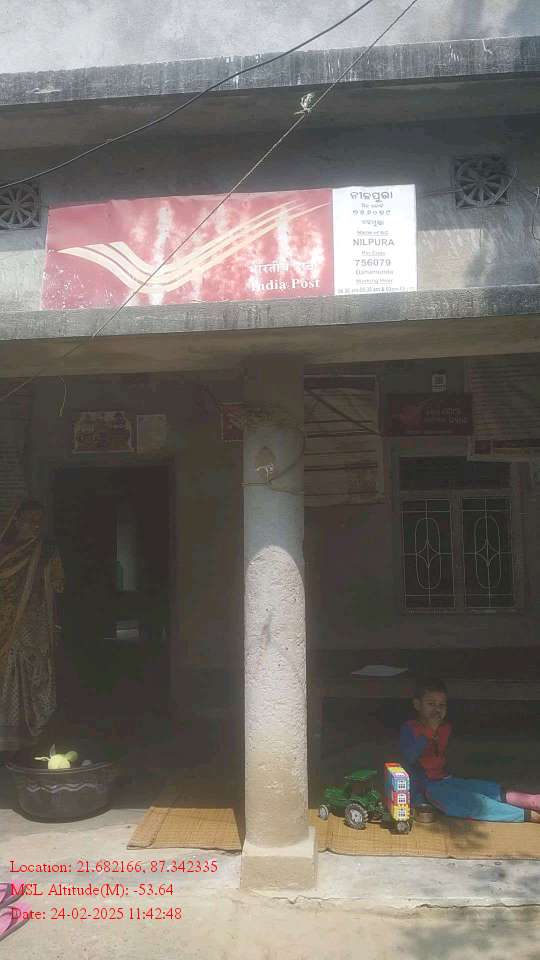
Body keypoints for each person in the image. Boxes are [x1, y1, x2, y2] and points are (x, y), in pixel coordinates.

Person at [400, 677, 540, 823]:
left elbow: (447, 758)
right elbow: (409, 757)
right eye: (431, 704)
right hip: (425, 788)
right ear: (417, 705)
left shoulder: (445, 728)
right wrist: (429, 731)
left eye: (442, 705)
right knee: (471, 802)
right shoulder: (410, 728)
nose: (437, 709)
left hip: (445, 780)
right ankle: (527, 815)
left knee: (483, 788)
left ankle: (532, 801)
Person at [0, 499, 64, 758]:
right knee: (9, 673)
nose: (36, 526)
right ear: (16, 521)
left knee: (37, 671)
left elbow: (57, 586)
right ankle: (7, 742)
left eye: (39, 521)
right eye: (30, 520)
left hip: (36, 623)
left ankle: (36, 738)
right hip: (6, 625)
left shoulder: (45, 550)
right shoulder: (3, 551)